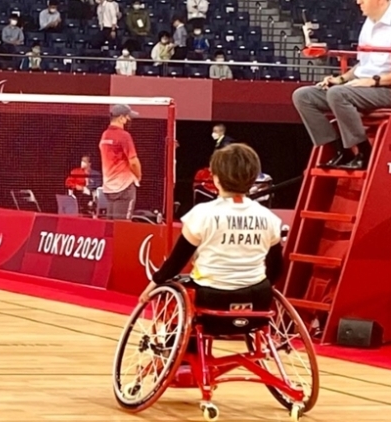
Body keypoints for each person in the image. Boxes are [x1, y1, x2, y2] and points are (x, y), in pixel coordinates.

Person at [138, 144, 283, 371]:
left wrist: (151, 287)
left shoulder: (202, 214)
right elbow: (276, 267)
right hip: (258, 303)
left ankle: (181, 356)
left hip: (212, 302)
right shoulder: (269, 218)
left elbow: (176, 262)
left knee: (177, 287)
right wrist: (256, 286)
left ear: (215, 179)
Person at [291, 0, 391, 170]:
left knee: (338, 94)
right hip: (361, 85)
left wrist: (374, 81)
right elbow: (364, 65)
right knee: (303, 96)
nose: (358, 1)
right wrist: (342, 79)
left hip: (385, 89)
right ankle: (340, 151)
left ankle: (364, 153)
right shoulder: (368, 24)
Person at [99, 104, 141, 220]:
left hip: (109, 187)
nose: (129, 120)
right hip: (124, 187)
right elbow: (133, 162)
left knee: (111, 225)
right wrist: (138, 176)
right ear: (121, 118)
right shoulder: (124, 136)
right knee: (122, 226)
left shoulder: (105, 135)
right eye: (128, 117)